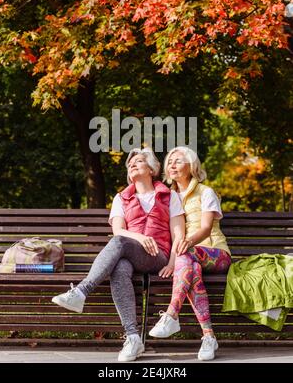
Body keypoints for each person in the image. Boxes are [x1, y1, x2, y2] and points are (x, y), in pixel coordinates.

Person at [52, 147, 185, 362]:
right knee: (120, 267)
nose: (132, 164)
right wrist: (140, 238)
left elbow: (179, 233)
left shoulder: (170, 196)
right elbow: (118, 231)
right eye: (130, 163)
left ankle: (81, 292)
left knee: (120, 244)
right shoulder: (121, 198)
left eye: (139, 161)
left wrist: (171, 263)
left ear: (151, 169)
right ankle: (133, 338)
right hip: (130, 254)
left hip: (158, 257)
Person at [149, 146, 231, 361]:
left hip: (216, 253)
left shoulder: (206, 192)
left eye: (178, 160)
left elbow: (205, 228)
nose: (172, 164)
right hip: (188, 257)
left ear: (192, 166)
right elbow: (176, 235)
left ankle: (171, 314)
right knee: (191, 270)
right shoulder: (167, 197)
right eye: (169, 161)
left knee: (189, 257)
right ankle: (208, 336)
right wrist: (172, 262)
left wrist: (187, 244)